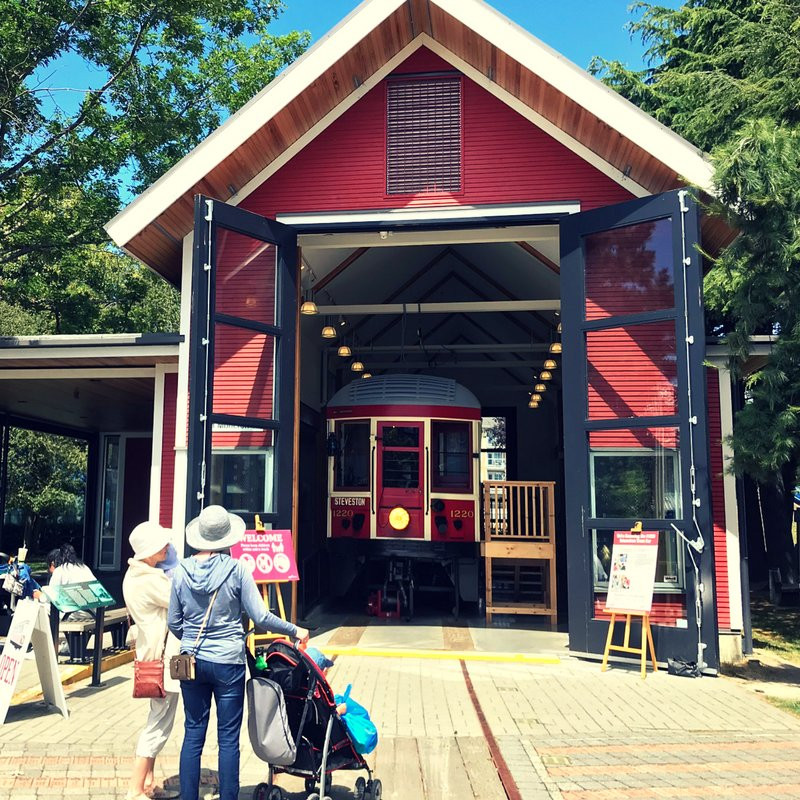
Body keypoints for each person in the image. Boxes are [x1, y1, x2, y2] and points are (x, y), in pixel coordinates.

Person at [168, 505, 309, 800]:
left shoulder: (179, 571)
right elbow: (261, 617)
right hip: (228, 663)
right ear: (226, 537)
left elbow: (173, 622)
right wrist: (295, 630)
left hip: (191, 660)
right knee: (228, 739)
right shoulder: (238, 569)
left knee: (193, 733)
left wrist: (192, 640)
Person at [123, 522, 181, 800]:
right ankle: (135, 789)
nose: (167, 547)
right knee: (158, 723)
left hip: (151, 653)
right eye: (162, 544)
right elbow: (181, 602)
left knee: (159, 717)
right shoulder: (151, 580)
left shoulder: (135, 575)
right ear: (148, 550)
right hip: (162, 657)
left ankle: (149, 783)